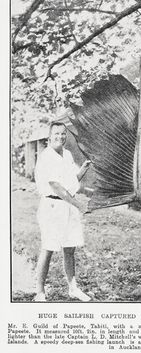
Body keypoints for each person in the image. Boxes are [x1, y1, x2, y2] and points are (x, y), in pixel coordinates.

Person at [34, 122, 91, 302]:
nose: (60, 137)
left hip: (67, 206)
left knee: (70, 248)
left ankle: (73, 288)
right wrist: (78, 204)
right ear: (49, 137)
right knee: (48, 248)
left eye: (63, 134)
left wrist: (83, 169)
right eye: (56, 134)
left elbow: (70, 180)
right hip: (52, 206)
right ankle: (40, 292)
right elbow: (56, 186)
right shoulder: (46, 157)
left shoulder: (66, 154)